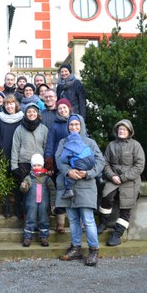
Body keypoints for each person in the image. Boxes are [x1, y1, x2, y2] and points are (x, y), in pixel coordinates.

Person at [56, 114, 104, 266]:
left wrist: (88, 173)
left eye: (77, 124)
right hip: (68, 185)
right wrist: (68, 171)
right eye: (71, 125)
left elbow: (100, 161)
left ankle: (93, 250)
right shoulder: (63, 142)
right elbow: (58, 159)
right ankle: (75, 247)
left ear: (82, 125)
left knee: (88, 220)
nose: (74, 127)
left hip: (86, 186)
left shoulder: (90, 142)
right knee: (73, 220)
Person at [99, 119, 145, 246]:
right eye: (120, 129)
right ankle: (103, 223)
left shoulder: (136, 146)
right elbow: (105, 163)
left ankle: (117, 234)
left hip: (130, 180)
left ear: (129, 132)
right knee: (106, 197)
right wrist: (112, 176)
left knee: (126, 208)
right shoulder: (111, 145)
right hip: (113, 179)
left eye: (124, 129)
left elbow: (139, 166)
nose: (122, 131)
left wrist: (124, 177)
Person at [11, 103, 49, 218]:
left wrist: (47, 164)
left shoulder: (43, 129)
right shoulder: (20, 129)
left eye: (33, 112)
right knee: (25, 189)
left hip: (39, 165)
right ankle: (24, 214)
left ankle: (39, 215)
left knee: (39, 191)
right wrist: (14, 165)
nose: (31, 114)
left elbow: (47, 147)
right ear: (25, 114)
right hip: (24, 163)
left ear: (37, 114)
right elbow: (15, 147)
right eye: (29, 112)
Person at [0, 95, 24, 218]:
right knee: (4, 182)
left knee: (17, 182)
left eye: (11, 103)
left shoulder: (22, 119)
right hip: (3, 154)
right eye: (7, 104)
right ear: (4, 106)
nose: (9, 106)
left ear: (16, 105)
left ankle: (17, 209)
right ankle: (6, 209)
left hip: (19, 156)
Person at [43, 98, 72, 233]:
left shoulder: (75, 122)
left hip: (75, 162)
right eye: (60, 108)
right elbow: (49, 145)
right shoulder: (55, 125)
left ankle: (80, 221)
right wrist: (49, 164)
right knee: (60, 192)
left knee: (76, 192)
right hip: (59, 163)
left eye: (64, 108)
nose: (62, 110)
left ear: (69, 108)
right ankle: (60, 222)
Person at [20, 154, 56, 247]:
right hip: (31, 204)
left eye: (39, 165)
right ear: (32, 166)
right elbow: (24, 190)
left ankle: (44, 237)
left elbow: (52, 191)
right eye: (34, 165)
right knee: (30, 218)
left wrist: (53, 204)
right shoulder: (28, 178)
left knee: (44, 219)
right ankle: (27, 237)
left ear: (42, 165)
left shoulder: (47, 178)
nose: (37, 167)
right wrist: (23, 186)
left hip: (44, 204)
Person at [59, 129, 95, 199]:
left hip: (79, 163)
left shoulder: (68, 147)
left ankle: (69, 190)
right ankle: (100, 177)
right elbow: (92, 153)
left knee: (71, 175)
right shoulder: (84, 144)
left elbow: (63, 159)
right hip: (91, 160)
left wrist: (67, 162)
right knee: (93, 165)